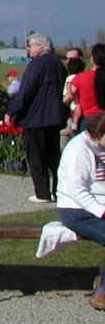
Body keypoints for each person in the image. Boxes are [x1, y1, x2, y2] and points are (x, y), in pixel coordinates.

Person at [6, 31, 70, 203]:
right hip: (55, 118)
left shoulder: (36, 65)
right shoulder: (59, 64)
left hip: (36, 118)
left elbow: (25, 91)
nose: (28, 49)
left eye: (31, 45)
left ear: (40, 46)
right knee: (54, 156)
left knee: (36, 157)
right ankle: (59, 190)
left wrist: (12, 111)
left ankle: (42, 193)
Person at [54, 111, 105, 311]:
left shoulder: (100, 145)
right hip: (76, 210)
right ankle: (102, 291)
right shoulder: (78, 150)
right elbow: (78, 192)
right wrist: (101, 212)